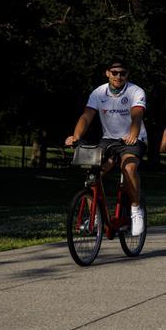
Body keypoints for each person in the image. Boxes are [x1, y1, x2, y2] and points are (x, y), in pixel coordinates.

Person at [65, 61, 147, 236]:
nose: (118, 76)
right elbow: (86, 117)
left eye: (122, 73)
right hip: (108, 140)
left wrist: (133, 134)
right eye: (115, 72)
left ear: (127, 75)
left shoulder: (136, 91)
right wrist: (76, 136)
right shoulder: (99, 92)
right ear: (107, 73)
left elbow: (137, 115)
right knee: (93, 172)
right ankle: (95, 217)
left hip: (133, 139)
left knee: (128, 168)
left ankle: (135, 209)